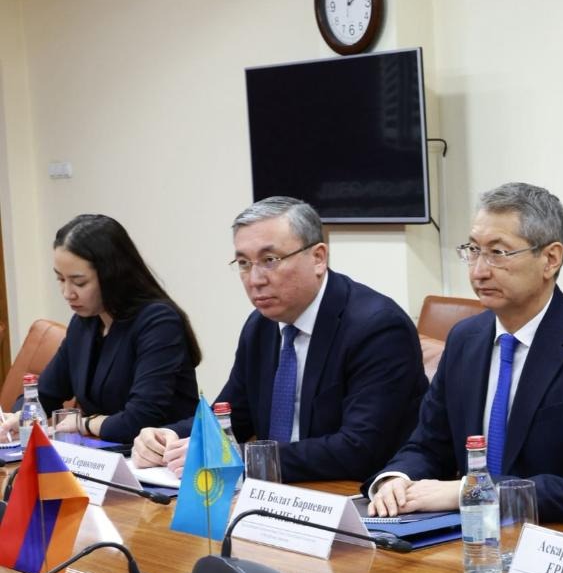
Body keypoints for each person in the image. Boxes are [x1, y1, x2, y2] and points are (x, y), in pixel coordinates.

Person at [366, 182, 563, 528]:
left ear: (550, 259)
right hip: (472, 536)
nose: (478, 271)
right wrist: (397, 478)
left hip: (558, 539)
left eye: (498, 253)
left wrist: (472, 490)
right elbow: (428, 445)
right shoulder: (465, 339)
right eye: (473, 250)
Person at [131, 196, 427, 483]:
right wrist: (170, 437)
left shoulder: (376, 327)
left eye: (270, 260)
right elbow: (231, 416)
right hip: (277, 490)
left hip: (357, 495)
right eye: (243, 263)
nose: (255, 279)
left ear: (318, 258)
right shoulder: (260, 326)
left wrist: (242, 458)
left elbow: (358, 449)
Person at [1, 214, 200, 445]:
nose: (67, 293)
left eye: (79, 282)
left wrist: (85, 424)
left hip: (164, 456)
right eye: (60, 279)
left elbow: (140, 419)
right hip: (106, 454)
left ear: (112, 275)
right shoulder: (83, 323)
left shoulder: (158, 321)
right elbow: (44, 394)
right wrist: (20, 417)